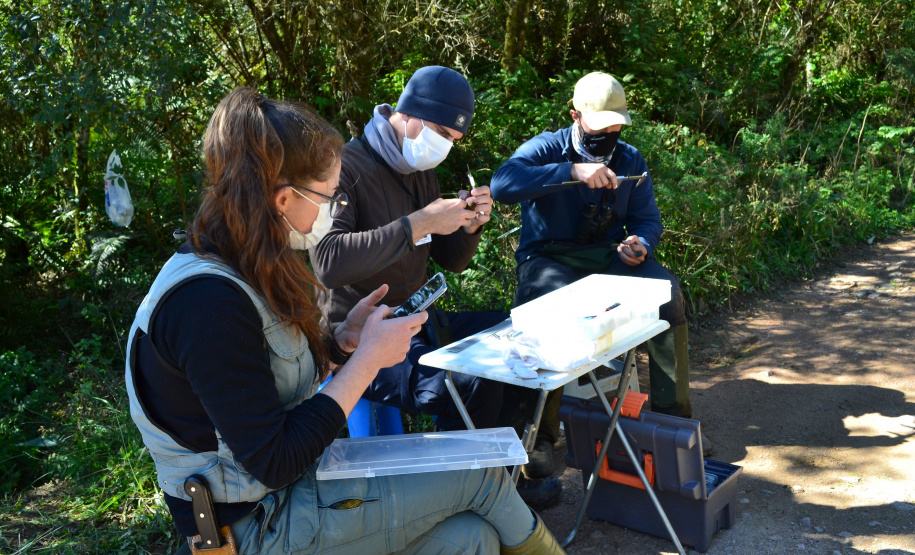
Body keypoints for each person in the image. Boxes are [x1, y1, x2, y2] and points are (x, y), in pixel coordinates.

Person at [124, 88, 564, 554]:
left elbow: (269, 378)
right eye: (328, 198)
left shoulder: (250, 262)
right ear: (283, 199)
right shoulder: (207, 303)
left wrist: (341, 343)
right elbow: (275, 460)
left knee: (469, 538)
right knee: (483, 480)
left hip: (285, 495)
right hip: (251, 528)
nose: (330, 212)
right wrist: (367, 362)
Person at [491, 71, 709, 506]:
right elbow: (502, 185)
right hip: (548, 260)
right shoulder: (547, 148)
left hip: (608, 259)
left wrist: (640, 244)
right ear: (575, 116)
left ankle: (673, 427)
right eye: (599, 129)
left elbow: (647, 218)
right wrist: (571, 170)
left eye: (616, 129)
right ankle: (537, 442)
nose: (608, 137)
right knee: (545, 310)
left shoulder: (630, 160)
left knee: (667, 293)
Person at [310, 66, 507, 433]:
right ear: (409, 114)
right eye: (443, 134)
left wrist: (470, 225)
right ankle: (460, 487)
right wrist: (420, 223)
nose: (446, 147)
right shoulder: (345, 168)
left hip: (416, 320)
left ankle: (507, 469)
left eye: (454, 140)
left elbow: (451, 260)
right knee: (468, 386)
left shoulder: (419, 168)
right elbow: (327, 261)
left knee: (514, 333)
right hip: (357, 337)